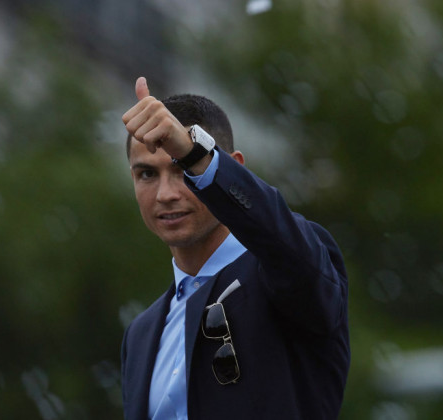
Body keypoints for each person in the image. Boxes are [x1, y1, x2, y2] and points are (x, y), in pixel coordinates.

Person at [120, 76, 350, 420]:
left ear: (234, 166)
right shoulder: (141, 333)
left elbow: (280, 237)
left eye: (182, 169)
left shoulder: (285, 270)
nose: (165, 194)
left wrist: (195, 153)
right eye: (147, 175)